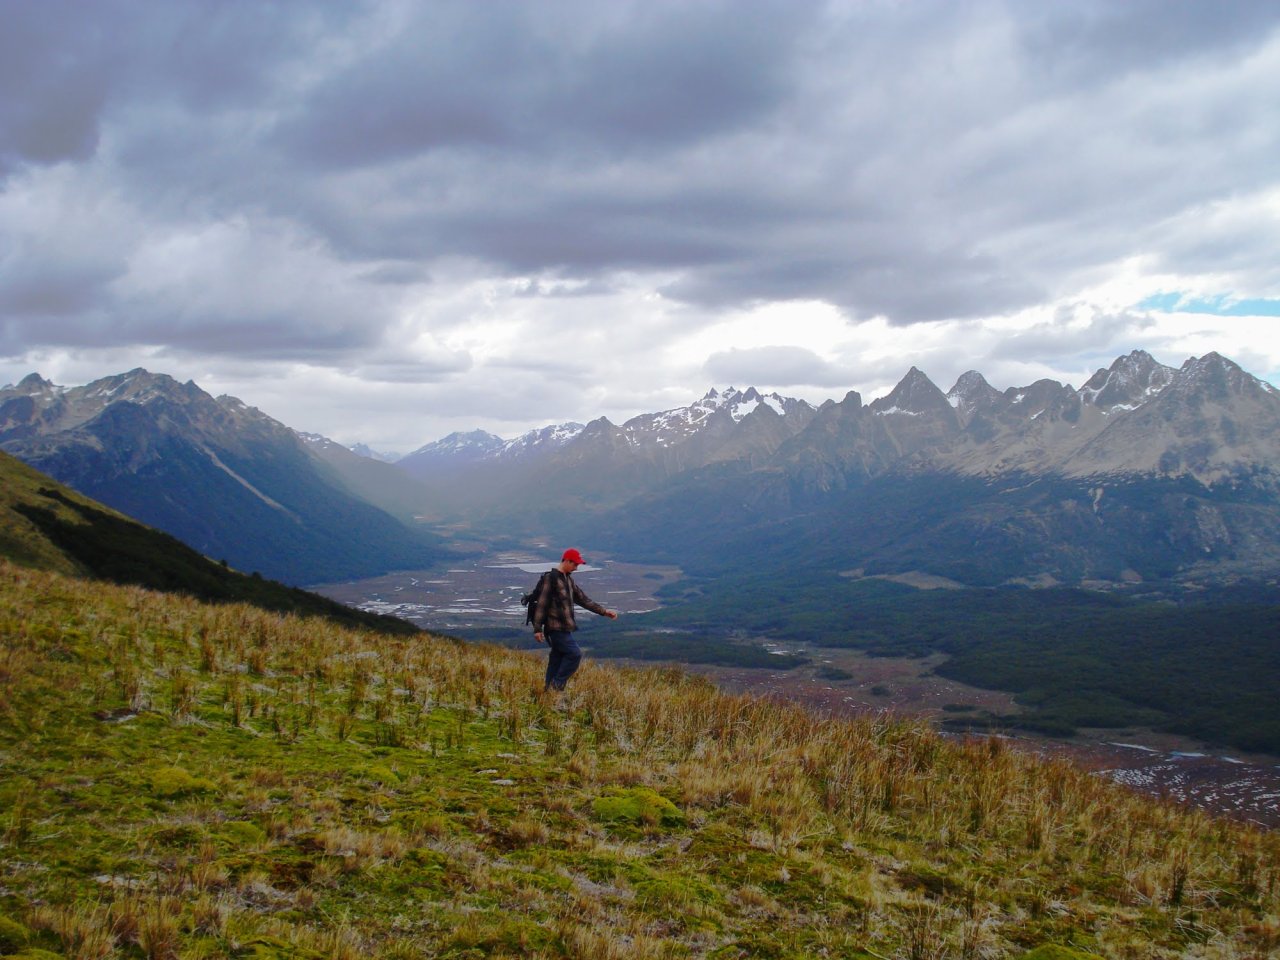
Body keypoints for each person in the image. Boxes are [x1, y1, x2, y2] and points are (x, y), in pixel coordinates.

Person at [532, 548, 618, 691]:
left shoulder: (568, 579)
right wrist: (537, 628)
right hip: (555, 627)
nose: (576, 568)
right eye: (575, 564)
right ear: (566, 561)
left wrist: (604, 612)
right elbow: (542, 603)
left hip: (565, 627)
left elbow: (583, 599)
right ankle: (556, 687)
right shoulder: (551, 578)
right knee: (574, 654)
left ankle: (548, 692)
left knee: (557, 659)